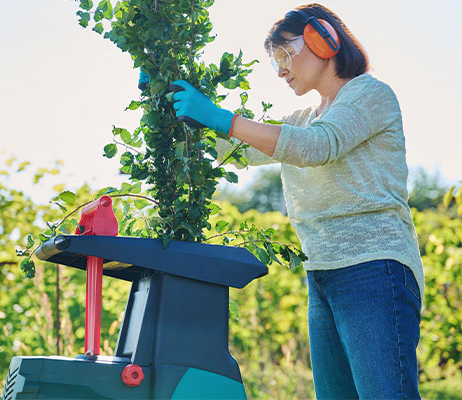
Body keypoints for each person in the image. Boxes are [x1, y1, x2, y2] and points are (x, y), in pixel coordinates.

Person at [164, 3, 424, 399]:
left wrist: (221, 116)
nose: (281, 69)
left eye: (285, 54)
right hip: (321, 272)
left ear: (324, 40)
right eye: (275, 61)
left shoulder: (370, 95)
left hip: (374, 268)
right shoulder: (304, 118)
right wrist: (173, 104)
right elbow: (239, 150)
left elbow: (316, 147)